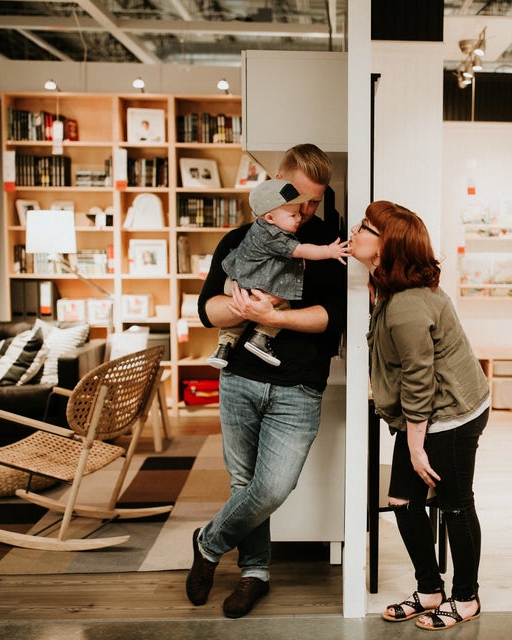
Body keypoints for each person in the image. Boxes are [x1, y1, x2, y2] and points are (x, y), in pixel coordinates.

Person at [186, 143, 346, 619]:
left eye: (316, 201)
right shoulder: (240, 239)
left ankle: (208, 544)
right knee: (243, 484)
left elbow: (329, 319)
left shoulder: (327, 247)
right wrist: (240, 309)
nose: (307, 210)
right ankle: (255, 573)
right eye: (300, 199)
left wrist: (272, 313)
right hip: (239, 379)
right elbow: (206, 310)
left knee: (273, 486)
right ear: (277, 181)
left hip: (299, 385)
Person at [350, 200, 490, 630]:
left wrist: (414, 446)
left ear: (386, 246)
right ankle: (430, 590)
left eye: (365, 228)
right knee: (402, 503)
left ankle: (466, 597)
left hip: (450, 416)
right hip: (427, 414)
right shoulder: (388, 285)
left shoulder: (408, 304)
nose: (355, 232)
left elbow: (419, 378)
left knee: (455, 504)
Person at [207, 179, 350, 368]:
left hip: (236, 279)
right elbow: (302, 250)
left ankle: (223, 347)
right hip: (252, 285)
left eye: (314, 202)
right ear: (270, 218)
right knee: (283, 303)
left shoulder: (257, 228)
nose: (300, 216)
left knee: (234, 325)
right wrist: (329, 251)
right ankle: (260, 337)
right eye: (293, 214)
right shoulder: (276, 235)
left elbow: (337, 314)